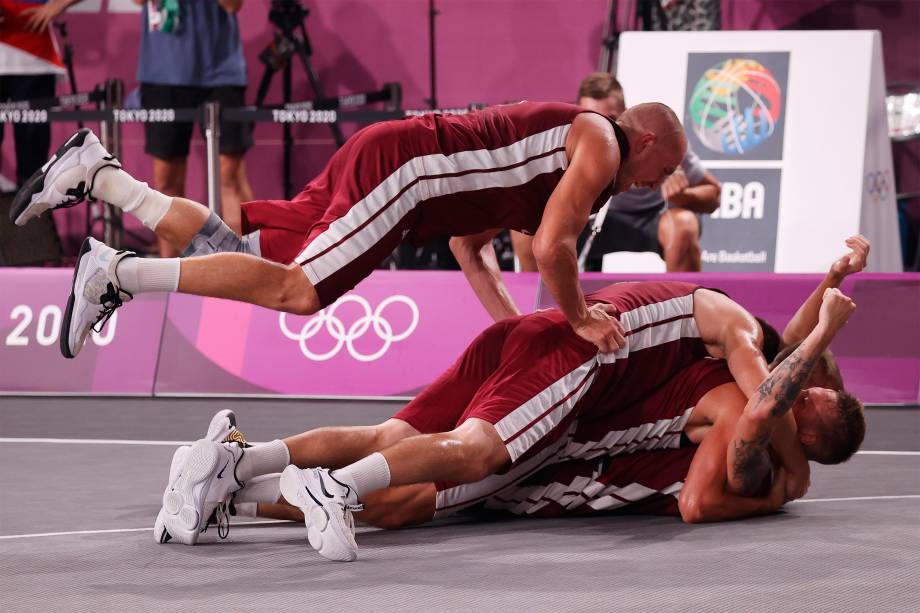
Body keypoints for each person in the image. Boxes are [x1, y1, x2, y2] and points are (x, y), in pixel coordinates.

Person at [154, 237, 867, 556]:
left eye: (809, 386)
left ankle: (235, 466)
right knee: (438, 473)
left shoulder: (744, 358)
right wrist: (824, 317)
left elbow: (781, 375)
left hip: (537, 347)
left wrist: (828, 292)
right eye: (807, 379)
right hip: (563, 395)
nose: (795, 382)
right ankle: (327, 489)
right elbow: (755, 417)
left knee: (390, 439)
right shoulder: (742, 387)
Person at [13, 101, 688, 358]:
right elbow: (552, 247)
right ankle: (117, 274)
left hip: (392, 159)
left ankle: (101, 175)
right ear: (648, 137)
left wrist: (515, 333)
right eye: (664, 170)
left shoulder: (552, 164)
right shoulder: (600, 140)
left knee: (245, 256)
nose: (656, 187)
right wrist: (576, 320)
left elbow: (468, 247)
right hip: (406, 172)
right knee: (299, 292)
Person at [512, 73, 721, 272]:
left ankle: (683, 305)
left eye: (610, 119)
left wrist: (684, 195)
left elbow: (714, 193)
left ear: (627, 115)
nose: (602, 128)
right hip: (589, 218)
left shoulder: (664, 142)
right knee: (527, 223)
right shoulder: (572, 142)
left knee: (683, 226)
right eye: (592, 118)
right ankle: (538, 304)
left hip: (651, 219)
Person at [132, 0, 254, 256]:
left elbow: (233, 5)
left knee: (229, 177)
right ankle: (173, 282)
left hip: (220, 73)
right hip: (162, 74)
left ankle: (246, 274)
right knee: (166, 181)